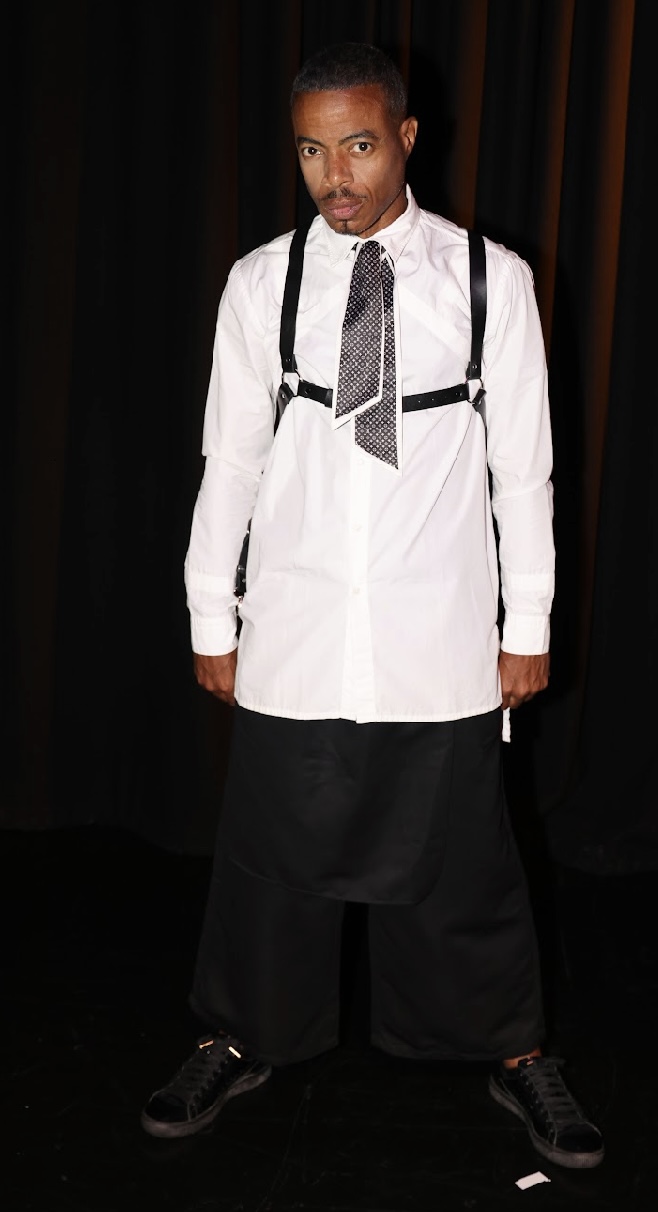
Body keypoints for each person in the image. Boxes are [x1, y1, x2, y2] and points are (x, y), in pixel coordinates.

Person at [140, 42, 604, 1171]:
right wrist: (212, 616)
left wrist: (528, 627)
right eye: (312, 150)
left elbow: (524, 472)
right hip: (297, 631)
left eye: (356, 145)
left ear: (406, 138)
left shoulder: (488, 280)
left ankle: (513, 1051)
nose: (334, 175)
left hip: (437, 634)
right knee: (267, 861)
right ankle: (237, 1036)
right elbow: (231, 462)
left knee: (466, 865)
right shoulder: (262, 283)